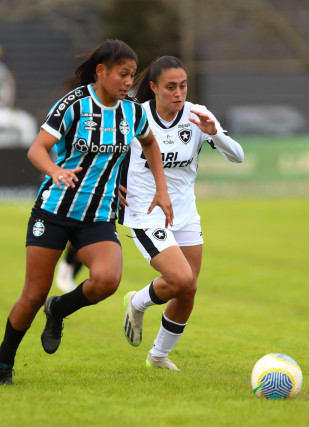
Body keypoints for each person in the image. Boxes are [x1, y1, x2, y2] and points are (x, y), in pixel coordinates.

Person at [0, 39, 173, 384]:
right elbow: (37, 149)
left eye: (132, 75)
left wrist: (161, 190)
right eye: (122, 74)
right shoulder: (73, 105)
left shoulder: (132, 112)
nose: (127, 82)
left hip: (97, 216)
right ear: (101, 71)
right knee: (32, 296)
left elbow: (149, 143)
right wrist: (55, 171)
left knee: (107, 281)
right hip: (55, 212)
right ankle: (4, 361)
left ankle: (59, 309)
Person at [120, 56, 244, 370]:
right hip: (146, 214)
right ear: (153, 88)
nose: (179, 93)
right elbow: (109, 154)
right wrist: (111, 188)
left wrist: (214, 133)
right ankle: (137, 302)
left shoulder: (197, 115)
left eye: (183, 86)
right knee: (179, 278)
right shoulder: (136, 116)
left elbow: (238, 157)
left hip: (186, 215)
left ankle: (158, 356)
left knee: (188, 289)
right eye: (171, 87)